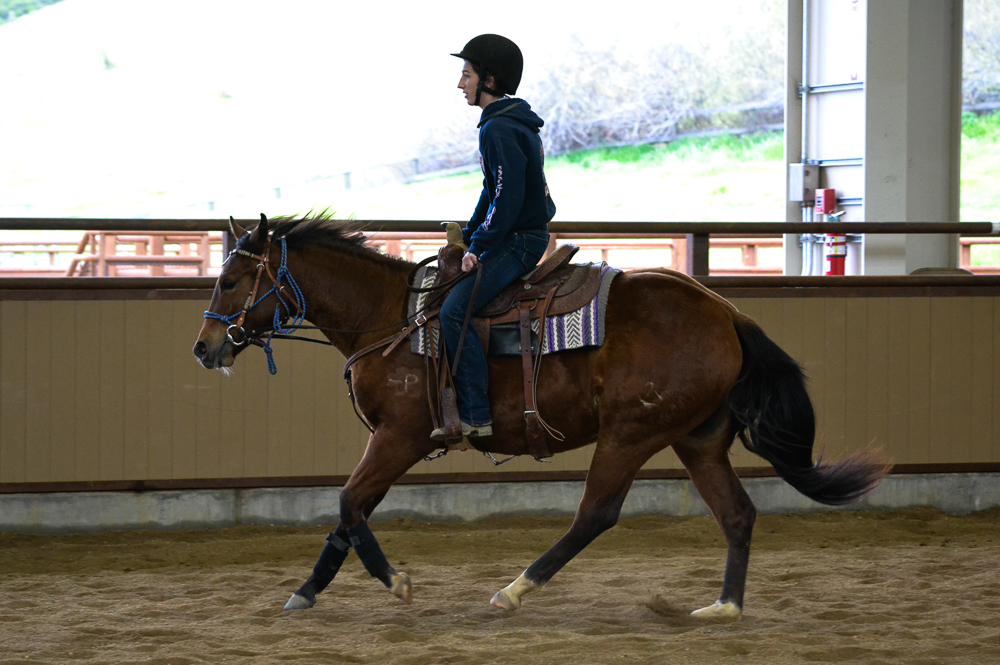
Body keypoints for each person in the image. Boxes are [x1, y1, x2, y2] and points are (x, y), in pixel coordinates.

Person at [430, 34, 556, 441]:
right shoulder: (507, 123)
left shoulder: (498, 128)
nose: (460, 83)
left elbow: (508, 194)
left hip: (518, 241)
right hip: (519, 234)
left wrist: (479, 250)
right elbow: (492, 190)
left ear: (489, 80)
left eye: (466, 74)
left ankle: (477, 415)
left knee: (453, 312)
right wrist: (468, 235)